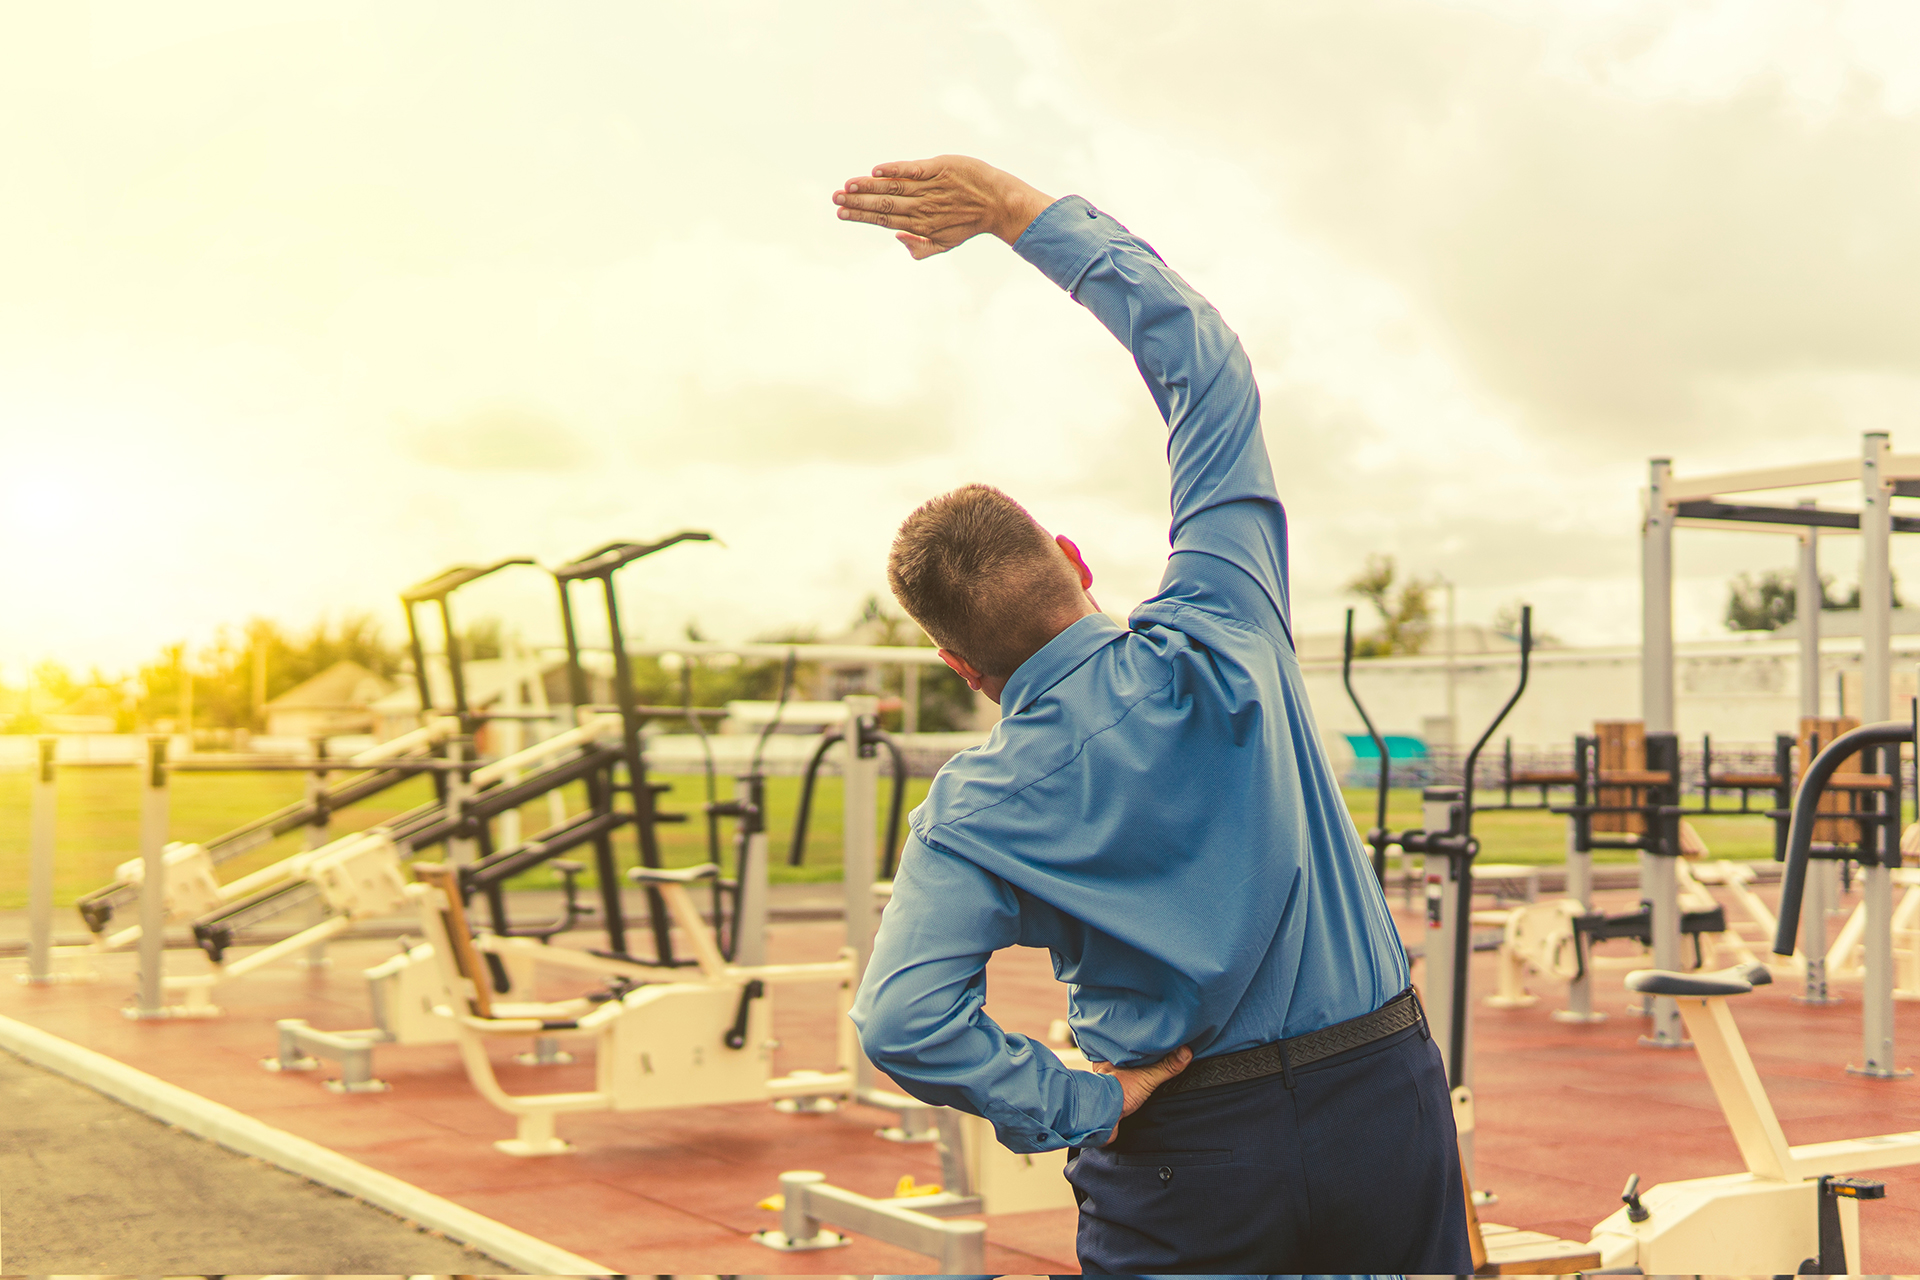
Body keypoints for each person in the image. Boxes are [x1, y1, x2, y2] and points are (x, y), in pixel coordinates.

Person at [834, 155, 1470, 1274]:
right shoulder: (1224, 619)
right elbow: (1205, 368)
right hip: (1379, 1098)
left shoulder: (972, 811)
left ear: (958, 664)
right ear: (1075, 563)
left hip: (1184, 1148)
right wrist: (1016, 212)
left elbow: (903, 1020)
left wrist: (1079, 1097)